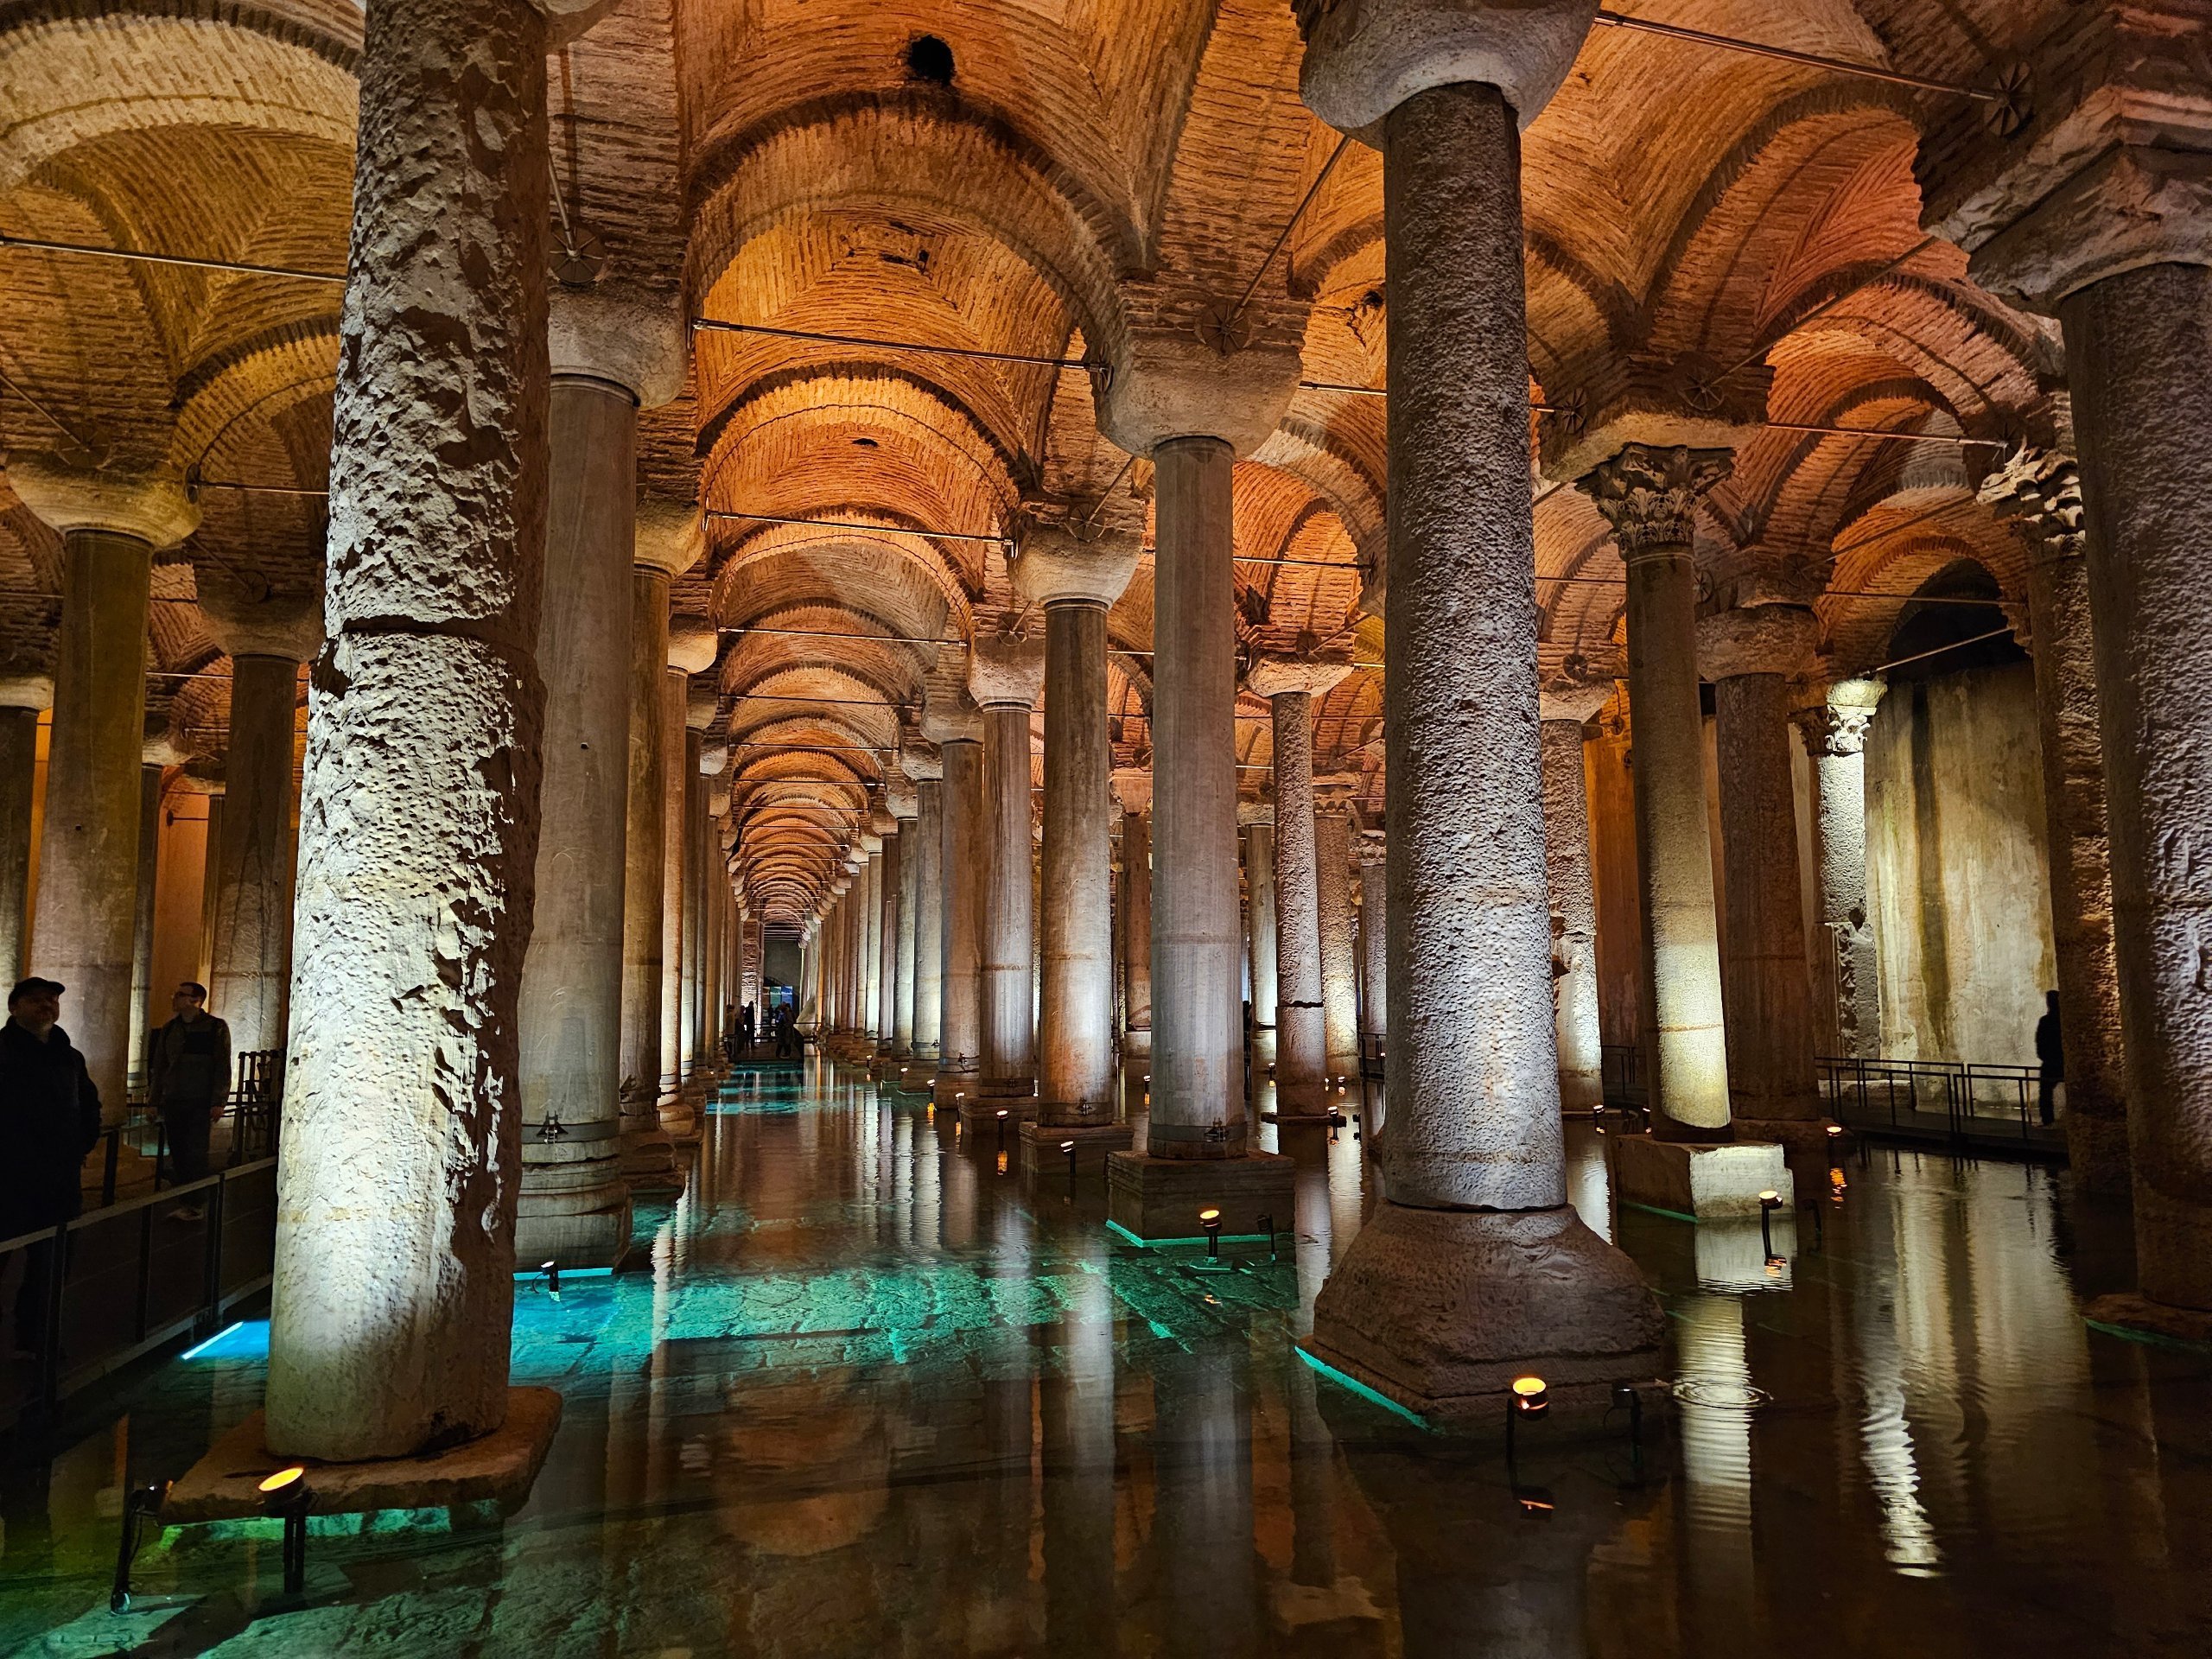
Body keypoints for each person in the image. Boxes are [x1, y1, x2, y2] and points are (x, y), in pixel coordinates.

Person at [1, 977, 104, 1358]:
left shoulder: (69, 1056)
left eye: (52, 1000)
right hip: (8, 1177)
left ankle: (34, 1336)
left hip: (59, 1178)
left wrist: (79, 1145)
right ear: (15, 1008)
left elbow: (88, 1104)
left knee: (51, 1264)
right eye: (36, 1000)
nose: (47, 1005)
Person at [146, 982, 232, 1211]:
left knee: (196, 1152)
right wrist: (153, 1101)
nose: (174, 998)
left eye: (180, 995)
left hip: (199, 1100)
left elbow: (222, 1066)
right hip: (174, 1099)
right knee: (178, 1151)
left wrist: (218, 1101)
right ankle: (185, 1199)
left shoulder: (215, 1028)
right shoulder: (170, 1029)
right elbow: (160, 1066)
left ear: (195, 1000)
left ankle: (195, 1202)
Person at [2035, 988, 2063, 1128]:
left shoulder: (2046, 1021)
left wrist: (2045, 1056)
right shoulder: (2062, 1020)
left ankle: (2047, 1120)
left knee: (2045, 1093)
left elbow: (2040, 1041)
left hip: (2050, 1062)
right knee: (2046, 1092)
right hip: (2061, 1061)